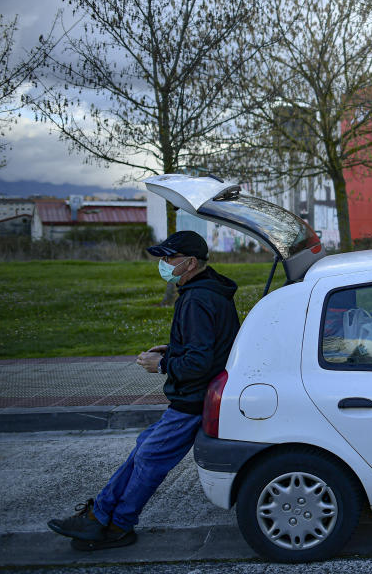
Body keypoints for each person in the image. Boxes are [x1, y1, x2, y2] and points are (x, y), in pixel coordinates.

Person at [48, 230, 240, 551]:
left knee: (150, 456)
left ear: (190, 263)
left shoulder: (197, 299)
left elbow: (200, 361)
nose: (163, 264)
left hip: (194, 399)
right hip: (195, 394)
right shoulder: (205, 291)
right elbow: (207, 347)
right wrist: (172, 348)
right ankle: (99, 515)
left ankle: (118, 525)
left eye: (169, 258)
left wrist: (162, 365)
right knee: (144, 448)